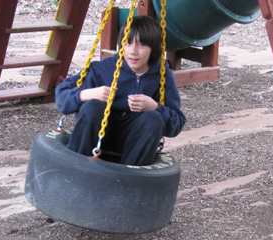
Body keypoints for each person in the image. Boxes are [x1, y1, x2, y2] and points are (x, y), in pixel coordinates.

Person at [55, 15, 186, 166]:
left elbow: (176, 125)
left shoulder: (163, 76)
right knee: (93, 106)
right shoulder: (102, 69)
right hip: (95, 137)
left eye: (142, 45)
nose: (133, 51)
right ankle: (75, 168)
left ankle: (131, 178)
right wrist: (87, 94)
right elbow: (61, 97)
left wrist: (155, 107)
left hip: (134, 144)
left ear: (154, 48)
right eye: (128, 43)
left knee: (153, 118)